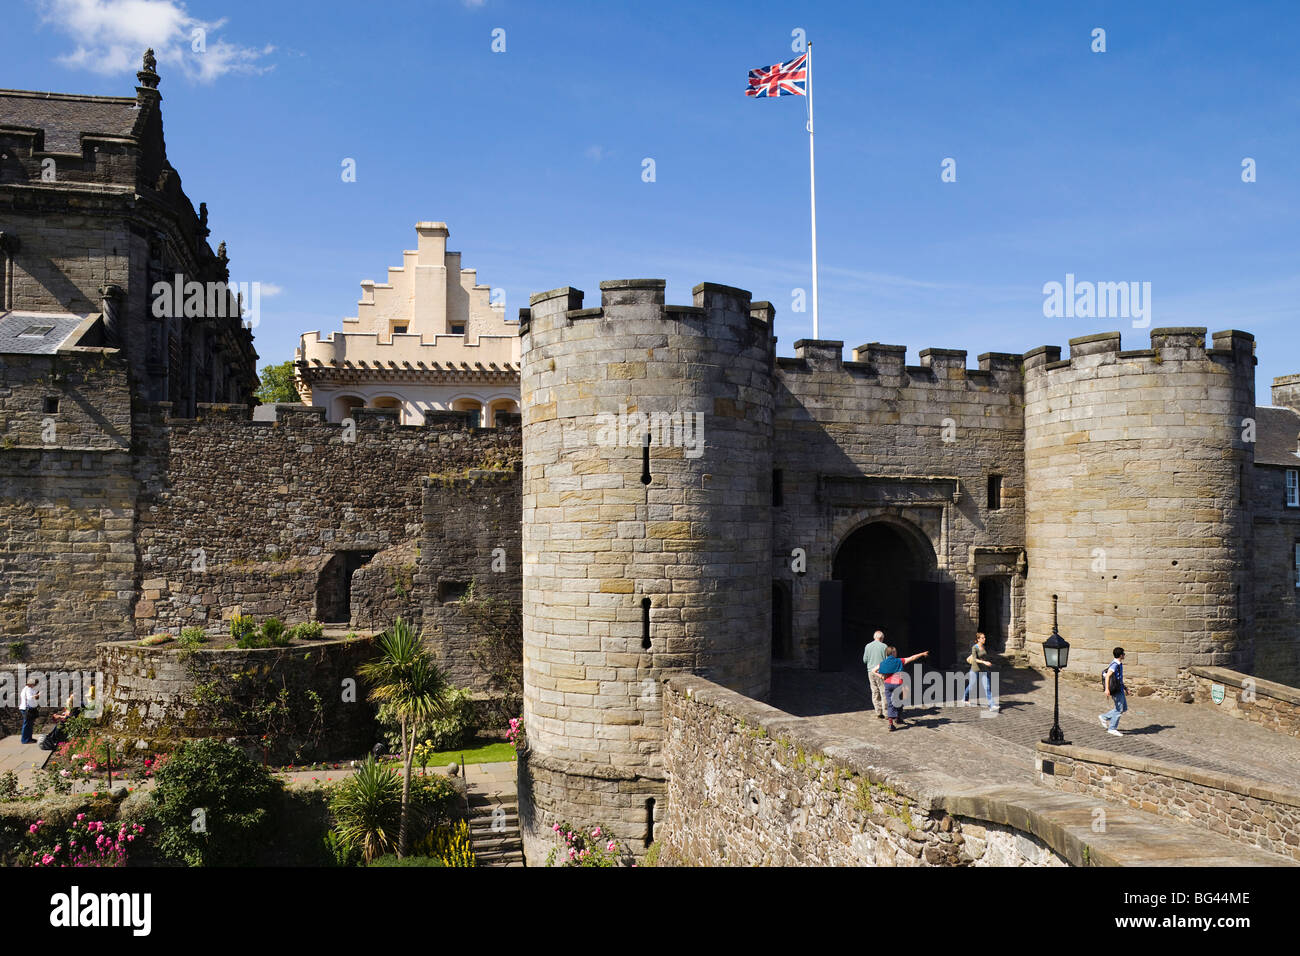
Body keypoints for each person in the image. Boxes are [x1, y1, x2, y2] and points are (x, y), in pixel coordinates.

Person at [876, 646, 929, 731]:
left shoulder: (883, 663)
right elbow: (912, 658)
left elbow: (873, 670)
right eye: (895, 652)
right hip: (898, 684)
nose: (896, 653)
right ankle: (898, 717)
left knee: (890, 703)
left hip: (888, 685)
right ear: (893, 653)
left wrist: (883, 678)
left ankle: (890, 724)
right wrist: (922, 654)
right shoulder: (899, 661)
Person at [962, 632, 998, 711]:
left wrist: (987, 662)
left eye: (984, 637)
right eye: (982, 638)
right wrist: (984, 662)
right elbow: (975, 659)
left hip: (984, 670)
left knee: (987, 687)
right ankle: (965, 698)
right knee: (971, 686)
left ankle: (992, 705)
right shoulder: (975, 647)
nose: (984, 639)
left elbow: (984, 656)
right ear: (978, 639)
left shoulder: (984, 646)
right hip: (975, 669)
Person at [862, 630, 891, 719]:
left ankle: (878, 712)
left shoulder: (868, 646)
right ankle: (886, 713)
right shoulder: (884, 646)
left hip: (871, 672)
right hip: (881, 672)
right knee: (883, 692)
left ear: (874, 637)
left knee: (875, 691)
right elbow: (887, 660)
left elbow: (865, 660)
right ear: (881, 638)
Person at [1099, 647, 1127, 736]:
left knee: (1123, 708)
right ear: (1120, 655)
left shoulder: (1119, 664)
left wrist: (1126, 688)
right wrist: (1107, 689)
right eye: (1124, 653)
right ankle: (1112, 728)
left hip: (1120, 689)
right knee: (1119, 709)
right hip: (1116, 690)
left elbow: (1119, 678)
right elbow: (1107, 676)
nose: (1125, 655)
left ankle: (1104, 717)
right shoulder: (1115, 665)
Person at [19, 677, 40, 744]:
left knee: (29, 724)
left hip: (28, 708)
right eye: (34, 684)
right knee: (27, 724)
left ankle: (29, 738)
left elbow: (33, 697)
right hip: (26, 709)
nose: (35, 685)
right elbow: (30, 698)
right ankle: (25, 740)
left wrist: (36, 696)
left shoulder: (28, 689)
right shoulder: (28, 689)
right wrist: (36, 696)